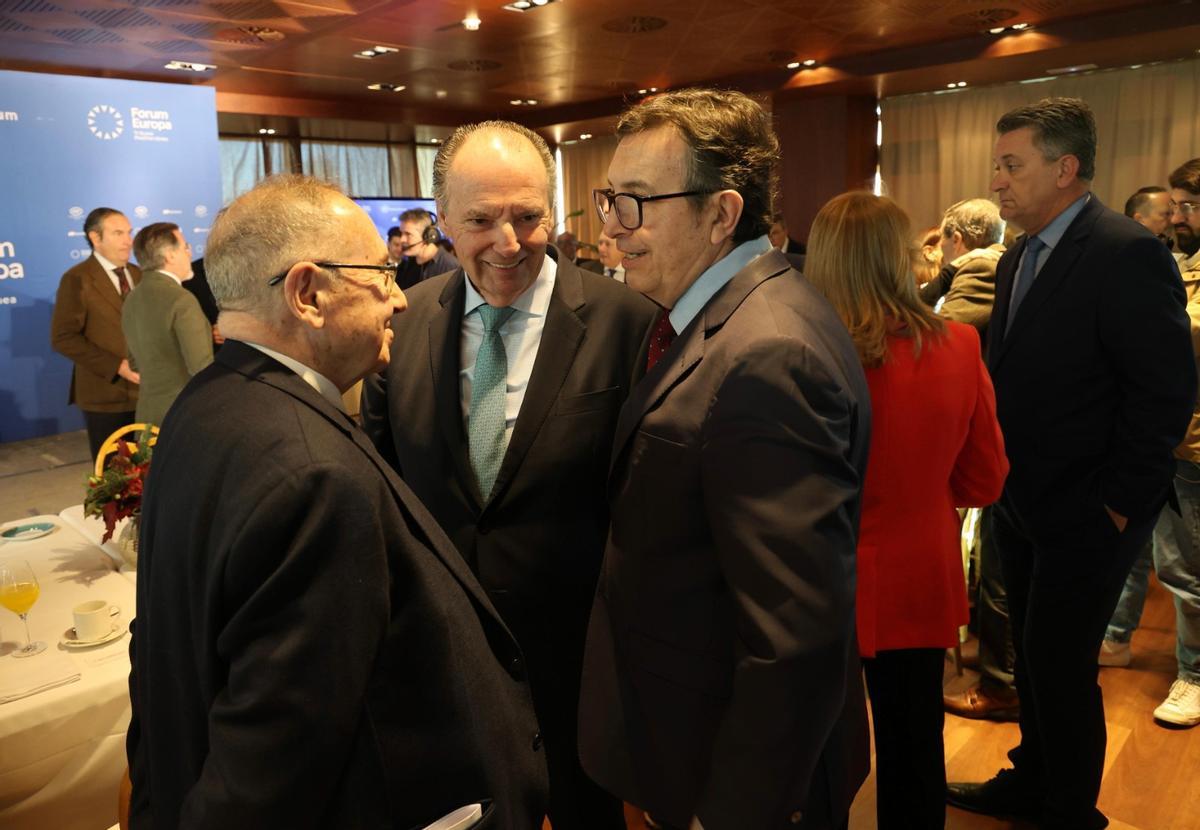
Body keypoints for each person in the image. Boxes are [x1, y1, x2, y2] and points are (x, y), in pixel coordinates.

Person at [126, 174, 548, 829]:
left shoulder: (202, 405)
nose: (399, 300)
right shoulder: (313, 475)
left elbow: (152, 655)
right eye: (380, 272)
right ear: (307, 293)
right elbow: (267, 773)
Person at [577, 88, 871, 830]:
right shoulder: (721, 315)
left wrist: (734, 814)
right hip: (693, 730)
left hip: (732, 771)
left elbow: (793, 636)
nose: (612, 227)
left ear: (721, 213)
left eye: (637, 202)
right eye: (610, 200)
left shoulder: (767, 351)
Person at [360, 122, 656, 830]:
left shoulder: (629, 324)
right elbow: (380, 483)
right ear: (442, 224)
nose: (509, 241)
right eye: (481, 220)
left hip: (580, 662)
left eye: (527, 217)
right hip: (444, 661)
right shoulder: (404, 324)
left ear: (552, 214)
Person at [947, 98, 1196, 830]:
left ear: (1065, 169)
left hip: (1088, 504)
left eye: (1011, 165)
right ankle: (1034, 781)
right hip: (1021, 495)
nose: (997, 181)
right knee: (1029, 657)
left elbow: (1165, 391)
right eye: (998, 164)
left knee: (1059, 664)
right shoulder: (1021, 251)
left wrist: (1116, 502)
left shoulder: (1125, 251)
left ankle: (1069, 810)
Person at [806, 191, 1008, 829]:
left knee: (814, 750)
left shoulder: (798, 351)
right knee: (914, 744)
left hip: (814, 576)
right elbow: (985, 480)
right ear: (901, 257)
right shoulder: (957, 346)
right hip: (918, 573)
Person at [1100, 158, 1200, 728]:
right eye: (1175, 206)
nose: (1178, 217)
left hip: (1192, 442)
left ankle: (1194, 673)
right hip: (1154, 434)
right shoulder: (1175, 260)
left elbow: (1179, 335)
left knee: (1186, 568)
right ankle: (1116, 638)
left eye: (1188, 207)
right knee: (1135, 550)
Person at [917, 198, 1019, 722]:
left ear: (957, 238)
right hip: (990, 424)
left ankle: (1002, 683)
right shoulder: (1011, 259)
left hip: (981, 427)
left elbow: (934, 336)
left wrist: (936, 282)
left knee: (996, 563)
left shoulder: (976, 266)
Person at [50, 207, 141, 461]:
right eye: (118, 233)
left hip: (146, 395)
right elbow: (63, 337)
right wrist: (117, 366)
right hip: (105, 396)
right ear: (95, 238)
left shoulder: (138, 274)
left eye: (129, 232)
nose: (128, 240)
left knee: (147, 474)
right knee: (113, 479)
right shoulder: (77, 279)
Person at [120, 223, 213, 428]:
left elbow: (135, 364)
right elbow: (202, 368)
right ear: (170, 255)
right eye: (185, 247)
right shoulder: (181, 300)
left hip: (147, 416)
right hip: (184, 418)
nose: (189, 253)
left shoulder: (132, 298)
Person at [393, 208, 460, 290]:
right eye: (401, 233)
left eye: (408, 234)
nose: (402, 239)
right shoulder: (405, 265)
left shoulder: (450, 266)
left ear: (428, 236)